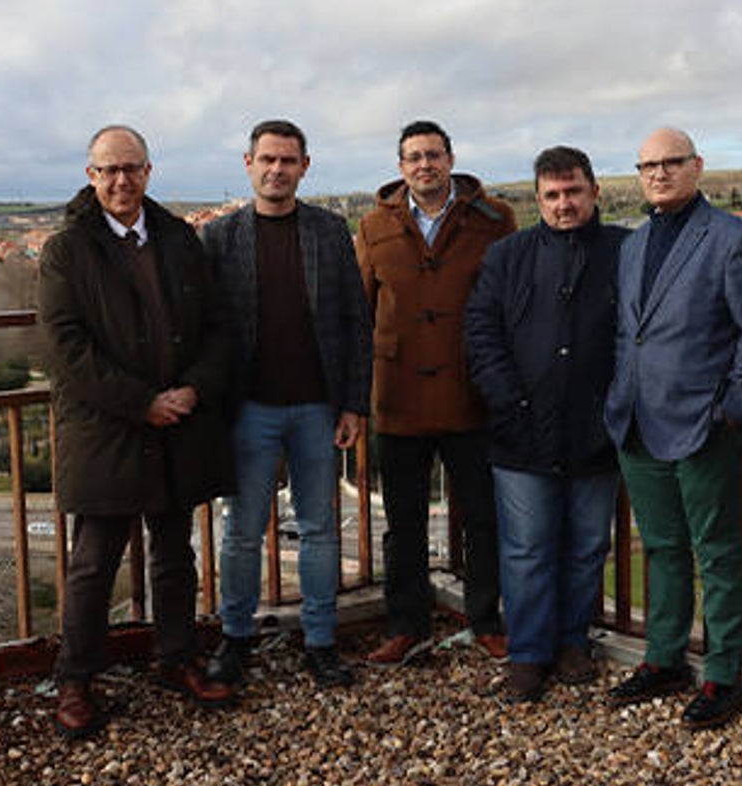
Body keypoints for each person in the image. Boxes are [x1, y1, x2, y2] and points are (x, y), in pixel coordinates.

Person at [39, 125, 235, 738]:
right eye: (108, 170)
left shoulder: (179, 238)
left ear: (149, 171)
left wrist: (192, 390)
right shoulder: (68, 249)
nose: (121, 181)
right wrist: (141, 402)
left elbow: (219, 328)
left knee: (175, 555)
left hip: (177, 424)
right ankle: (76, 680)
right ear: (91, 175)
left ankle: (176, 658)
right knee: (94, 564)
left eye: (131, 168)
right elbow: (65, 348)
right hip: (107, 431)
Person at [604, 127, 742, 729]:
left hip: (705, 426)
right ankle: (664, 657)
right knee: (663, 547)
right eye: (646, 164)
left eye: (670, 162)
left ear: (697, 166)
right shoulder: (632, 243)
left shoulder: (734, 239)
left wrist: (731, 408)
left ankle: (723, 672)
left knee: (719, 552)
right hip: (637, 423)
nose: (658, 174)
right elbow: (632, 332)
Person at [202, 120, 373, 688]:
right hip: (249, 408)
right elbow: (205, 328)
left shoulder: (328, 230)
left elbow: (355, 320)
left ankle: (320, 641)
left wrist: (353, 403)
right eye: (268, 159)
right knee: (242, 530)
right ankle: (236, 639)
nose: (277, 169)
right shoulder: (221, 238)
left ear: (305, 165)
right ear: (247, 162)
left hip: (317, 408)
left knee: (321, 528)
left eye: (288, 160)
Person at [465, 146, 628, 702]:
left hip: (597, 430)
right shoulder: (506, 256)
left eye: (574, 192)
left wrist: (616, 408)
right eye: (553, 195)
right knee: (527, 549)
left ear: (594, 192)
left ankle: (572, 642)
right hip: (521, 432)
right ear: (537, 200)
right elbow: (482, 334)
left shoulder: (624, 252)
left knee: (586, 547)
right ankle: (529, 654)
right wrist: (512, 403)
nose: (564, 204)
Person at [356, 120, 516, 666]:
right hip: (397, 397)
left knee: (483, 517)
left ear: (451, 159)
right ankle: (407, 625)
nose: (424, 165)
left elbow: (509, 306)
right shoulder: (374, 226)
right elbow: (360, 310)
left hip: (470, 393)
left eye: (433, 155)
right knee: (403, 522)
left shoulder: (494, 221)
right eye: (413, 157)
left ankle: (486, 619)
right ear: (401, 167)